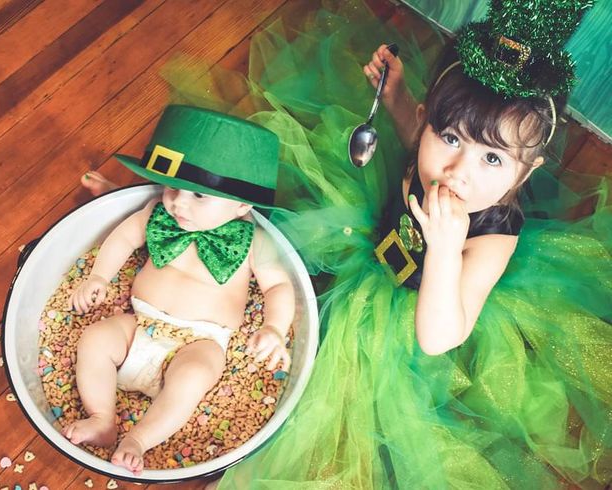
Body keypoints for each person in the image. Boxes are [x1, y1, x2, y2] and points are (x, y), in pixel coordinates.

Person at [183, 0, 609, 488]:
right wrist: (397, 97)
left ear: (526, 170)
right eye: (449, 138)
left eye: (493, 159)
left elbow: (439, 337)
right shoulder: (427, 147)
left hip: (420, 306)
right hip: (372, 236)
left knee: (346, 386)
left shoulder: (493, 238)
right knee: (280, 251)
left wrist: (448, 251)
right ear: (429, 122)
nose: (457, 173)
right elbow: (412, 137)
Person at [62, 105, 295, 476]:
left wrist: (274, 329)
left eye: (199, 197)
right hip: (139, 326)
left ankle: (139, 439)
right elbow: (123, 236)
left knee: (191, 379)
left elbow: (280, 285)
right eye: (173, 187)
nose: (178, 202)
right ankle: (102, 417)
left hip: (200, 342)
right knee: (94, 338)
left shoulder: (254, 241)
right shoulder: (160, 211)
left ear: (241, 206)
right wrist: (99, 278)